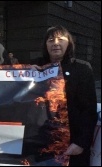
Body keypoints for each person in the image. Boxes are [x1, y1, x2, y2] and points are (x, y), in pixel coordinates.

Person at [32, 25, 97, 166]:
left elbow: (89, 110)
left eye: (60, 39)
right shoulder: (34, 67)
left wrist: (81, 143)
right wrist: (25, 75)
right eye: (50, 40)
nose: (55, 43)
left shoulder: (82, 68)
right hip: (40, 143)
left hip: (72, 145)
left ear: (69, 43)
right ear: (45, 45)